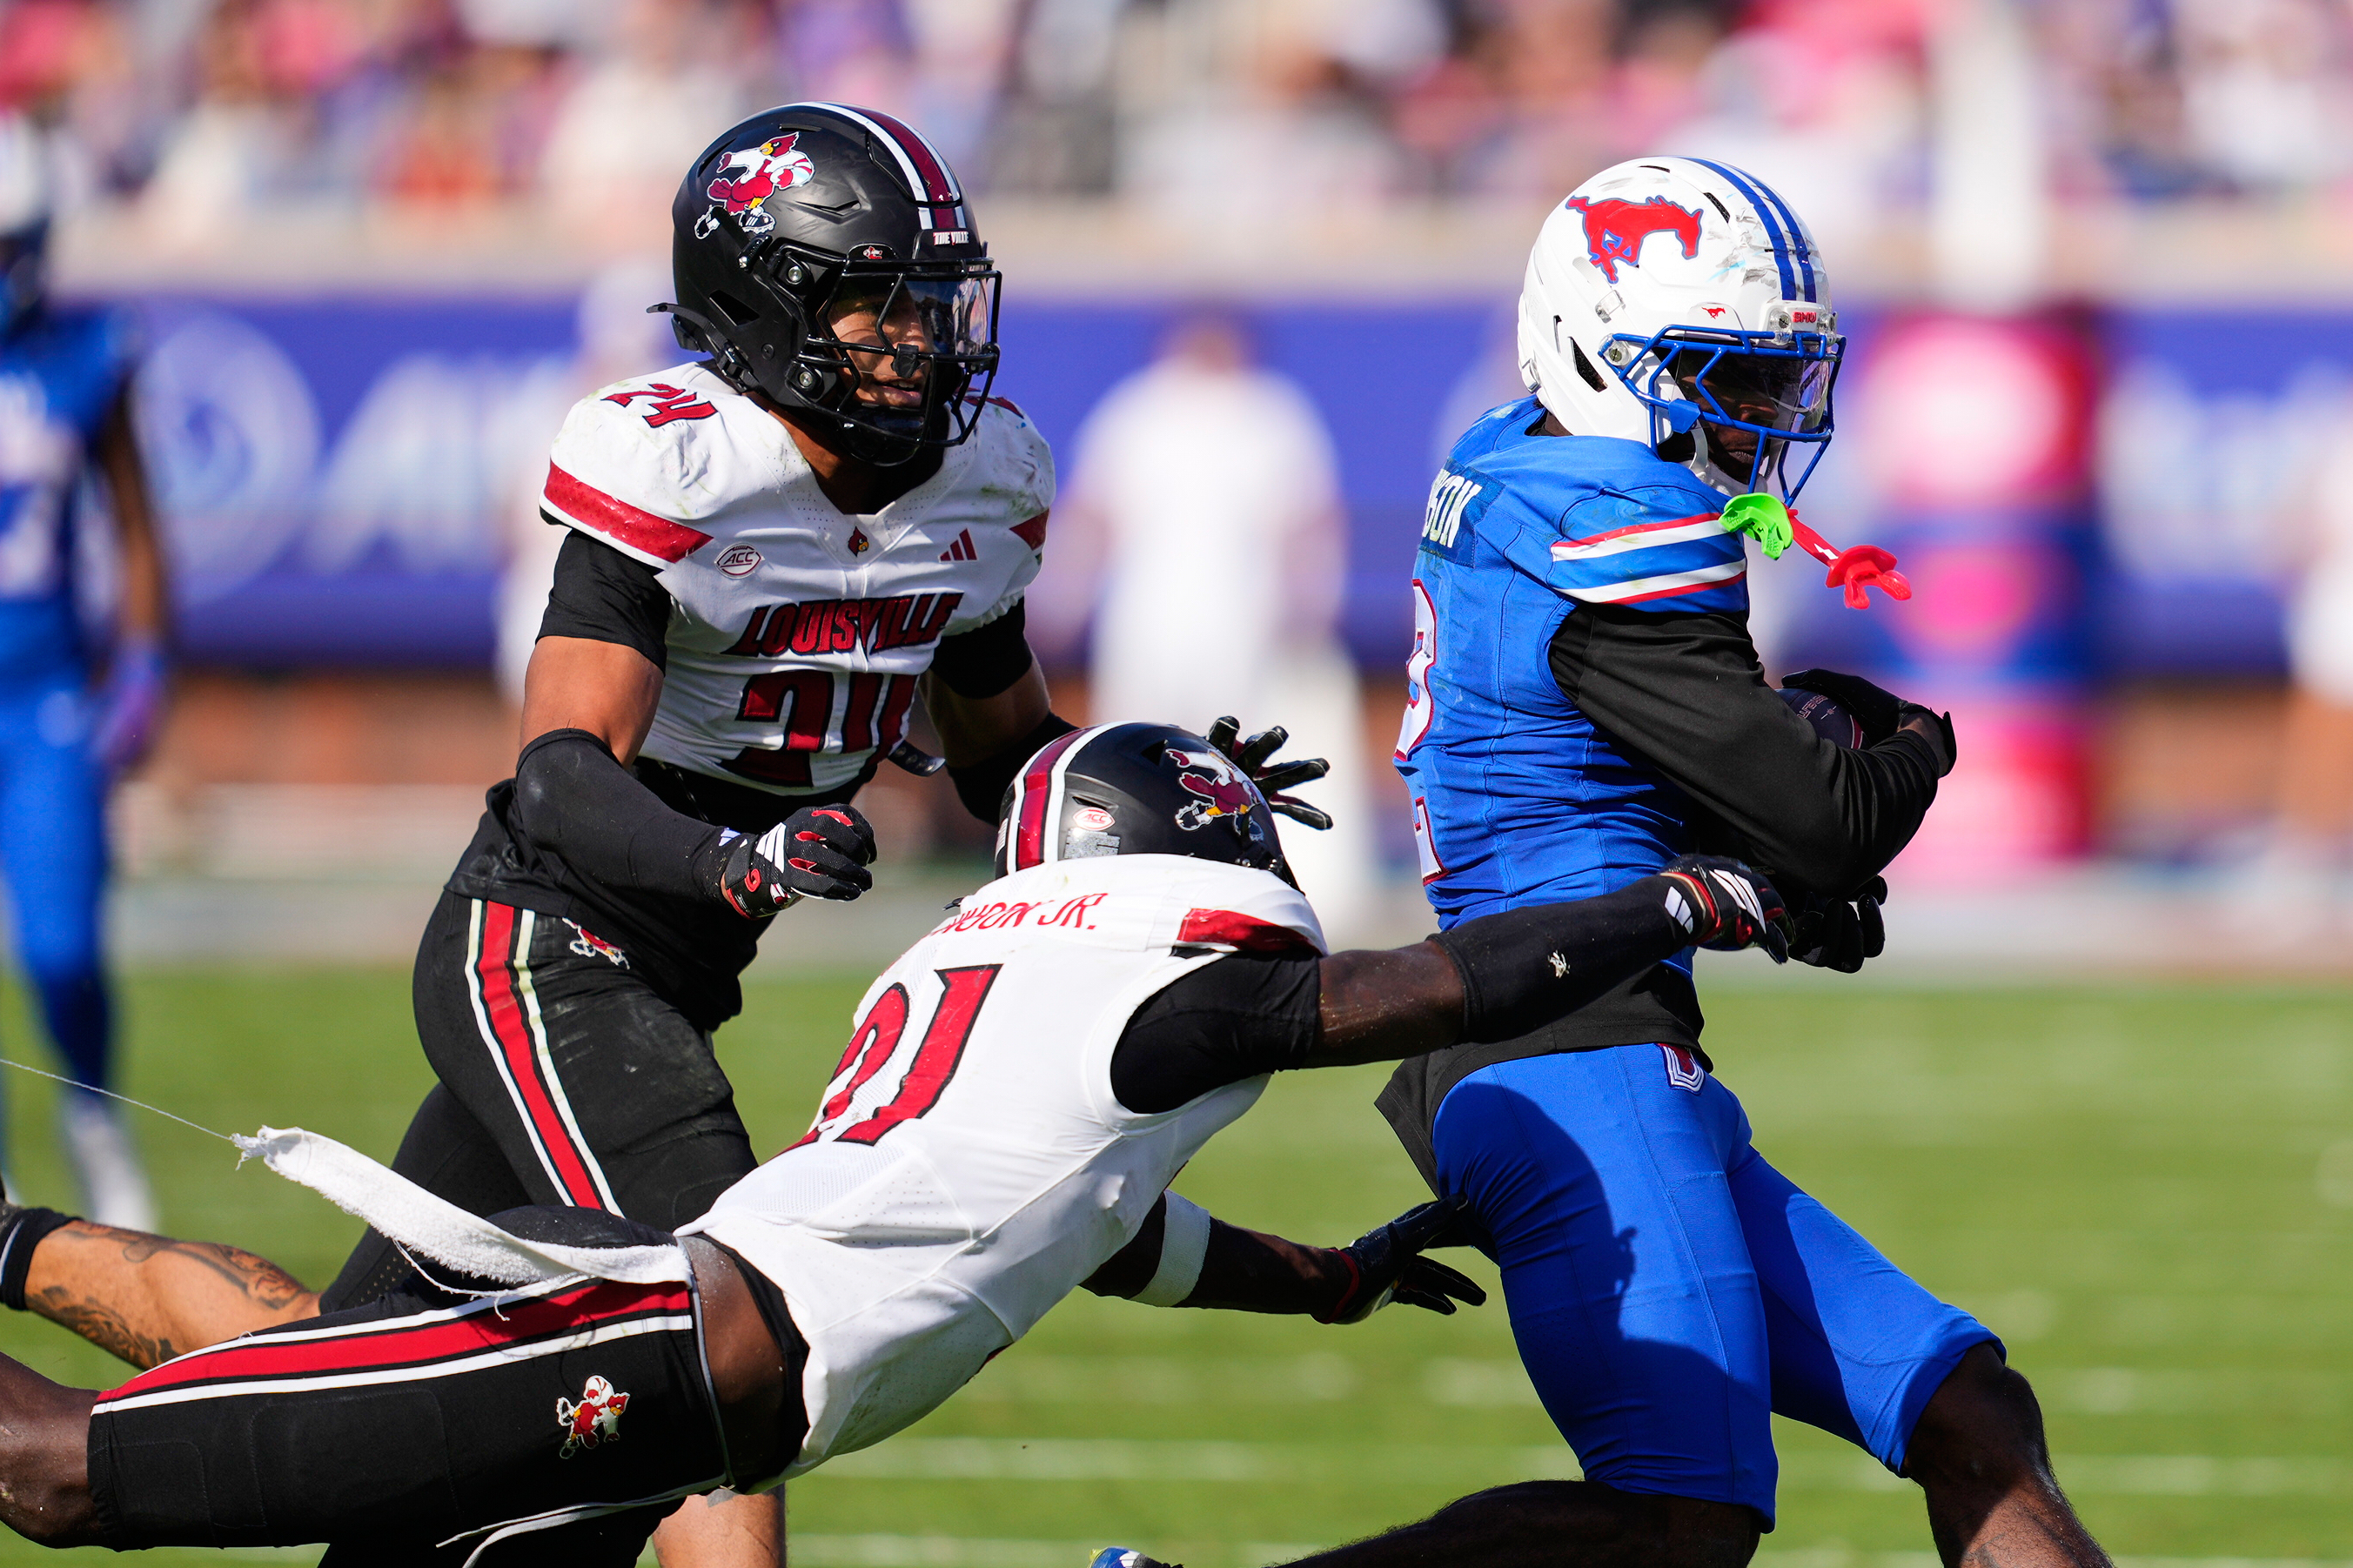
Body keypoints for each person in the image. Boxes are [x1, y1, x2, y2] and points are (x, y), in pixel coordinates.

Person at [0, 721, 1791, 1566]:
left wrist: (1320, 1279)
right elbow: (1419, 987)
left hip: (662, 1382)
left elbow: (1092, 1220)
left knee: (280, 1383)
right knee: (76, 1476)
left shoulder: (1021, 978)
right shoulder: (1164, 980)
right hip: (649, 1368)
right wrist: (1672, 899)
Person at [1152, 158, 2102, 1567]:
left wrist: (1762, 875)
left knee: (1967, 1408)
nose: (1759, 414)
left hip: (1568, 1017)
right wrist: (1907, 729)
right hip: (1566, 1047)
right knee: (1679, 1520)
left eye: (1772, 375)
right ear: (1597, 345)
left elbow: (1594, 757)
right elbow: (1825, 813)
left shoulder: (1512, 457)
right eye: (1719, 371)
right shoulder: (1607, 519)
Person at [312, 102, 1151, 1565]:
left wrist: (1155, 802)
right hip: (543, 945)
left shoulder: (981, 483)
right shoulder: (679, 466)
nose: (920, 336)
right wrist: (728, 861)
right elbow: (563, 773)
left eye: (931, 299)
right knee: (720, 1319)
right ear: (763, 298)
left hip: (675, 967)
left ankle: (28, 1277)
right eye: (876, 299)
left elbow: (1003, 748)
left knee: (346, 1372)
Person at [1054, 312, 1379, 935]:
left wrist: (1310, 602)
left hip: (1238, 617)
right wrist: (1065, 595)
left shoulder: (1266, 412)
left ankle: (1238, 884)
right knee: (1132, 755)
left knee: (1228, 763)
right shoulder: (1142, 409)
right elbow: (1096, 511)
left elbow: (1306, 518)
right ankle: (1120, 885)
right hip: (1146, 618)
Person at [0, 116, 170, 1229]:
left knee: (62, 943)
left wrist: (146, 659)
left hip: (43, 684)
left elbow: (136, 518)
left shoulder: (84, 351)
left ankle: (93, 1114)